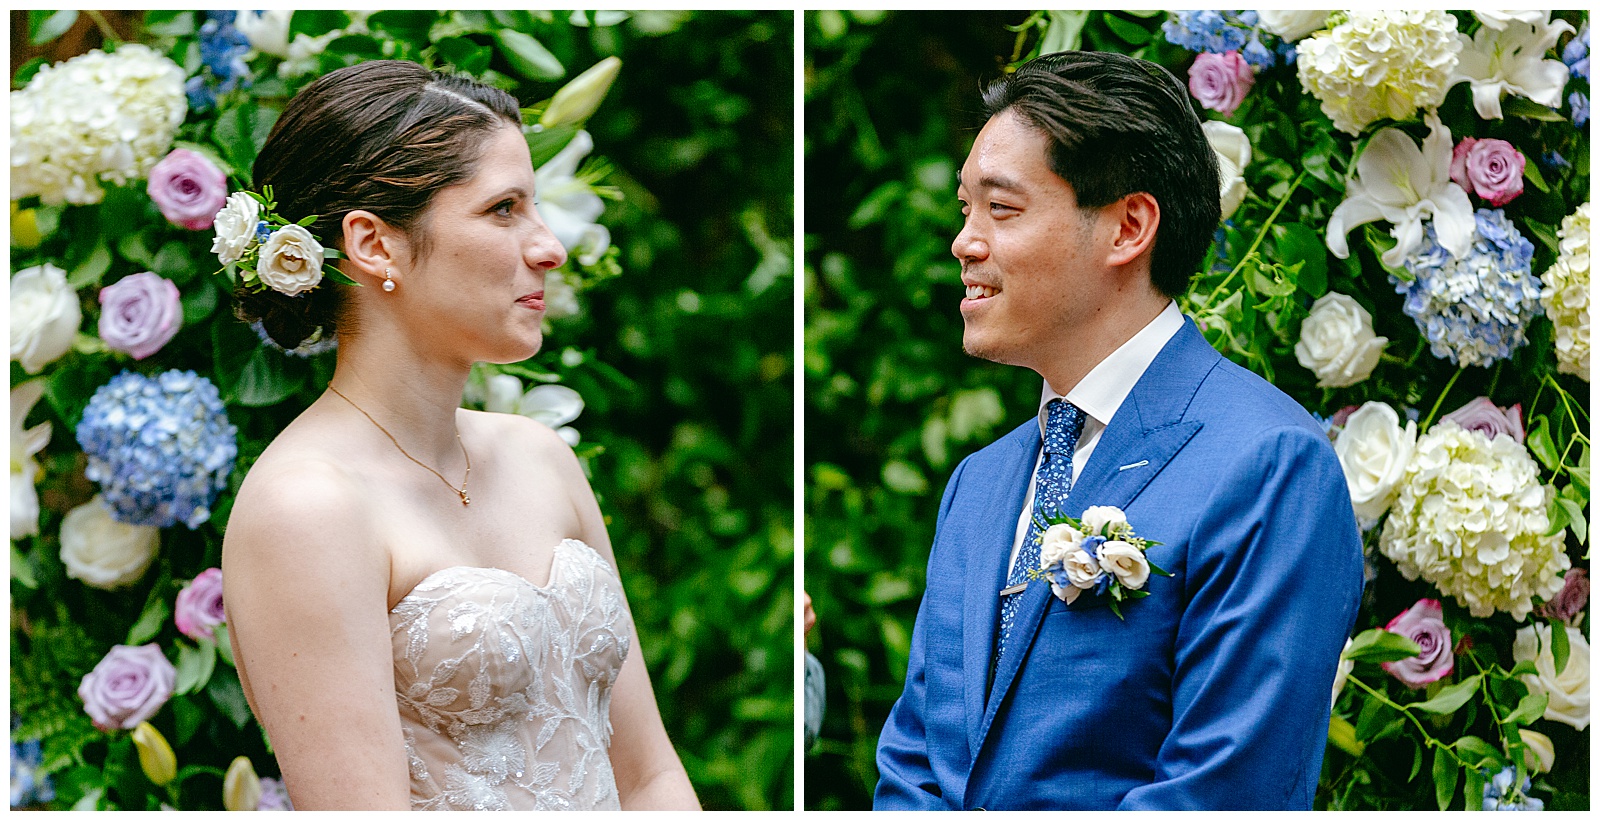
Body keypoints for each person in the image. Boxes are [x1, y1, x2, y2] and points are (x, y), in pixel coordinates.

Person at [873, 51, 1364, 810]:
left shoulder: (1268, 464)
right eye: (964, 209)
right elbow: (913, 767)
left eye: (1000, 209)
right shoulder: (978, 482)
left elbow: (1222, 792)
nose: (964, 242)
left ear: (1128, 226)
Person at [220, 60, 700, 811]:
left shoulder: (541, 456)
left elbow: (649, 775)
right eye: (503, 209)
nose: (549, 246)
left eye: (534, 206)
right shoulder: (305, 506)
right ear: (374, 244)